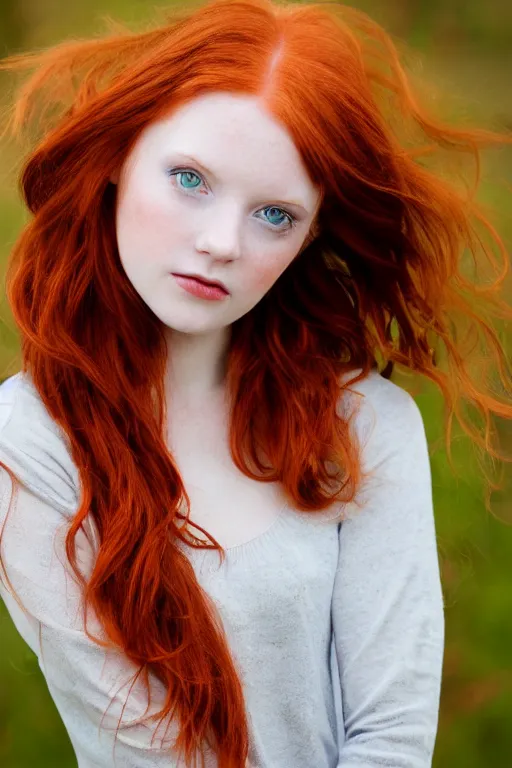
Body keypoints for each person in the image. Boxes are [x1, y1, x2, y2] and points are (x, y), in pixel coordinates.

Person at [0, 0, 510, 766]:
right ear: (117, 159)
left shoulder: (367, 424)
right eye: (189, 179)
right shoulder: (27, 442)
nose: (219, 243)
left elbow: (393, 739)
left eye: (274, 214)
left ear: (311, 235)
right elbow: (155, 752)